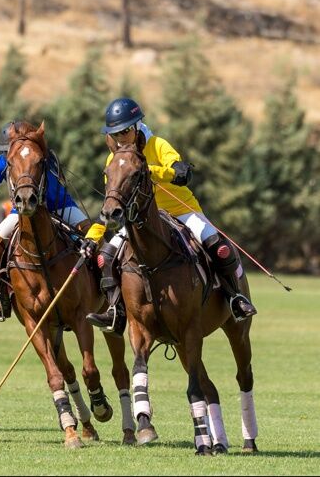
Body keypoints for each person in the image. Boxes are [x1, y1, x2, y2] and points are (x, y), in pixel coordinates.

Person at [81, 97, 257, 337]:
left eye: (123, 132)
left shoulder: (158, 145)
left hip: (180, 210)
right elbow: (111, 203)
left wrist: (149, 170)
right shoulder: (114, 161)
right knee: (107, 257)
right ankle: (115, 310)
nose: (120, 138)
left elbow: (178, 172)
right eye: (114, 133)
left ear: (135, 127)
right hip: (142, 220)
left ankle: (235, 297)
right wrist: (93, 236)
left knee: (217, 245)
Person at [0, 121, 93, 323]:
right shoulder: (5, 160)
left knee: (95, 236)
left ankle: (108, 294)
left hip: (60, 205)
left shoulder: (42, 155)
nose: (11, 151)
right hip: (23, 211)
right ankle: (0, 299)